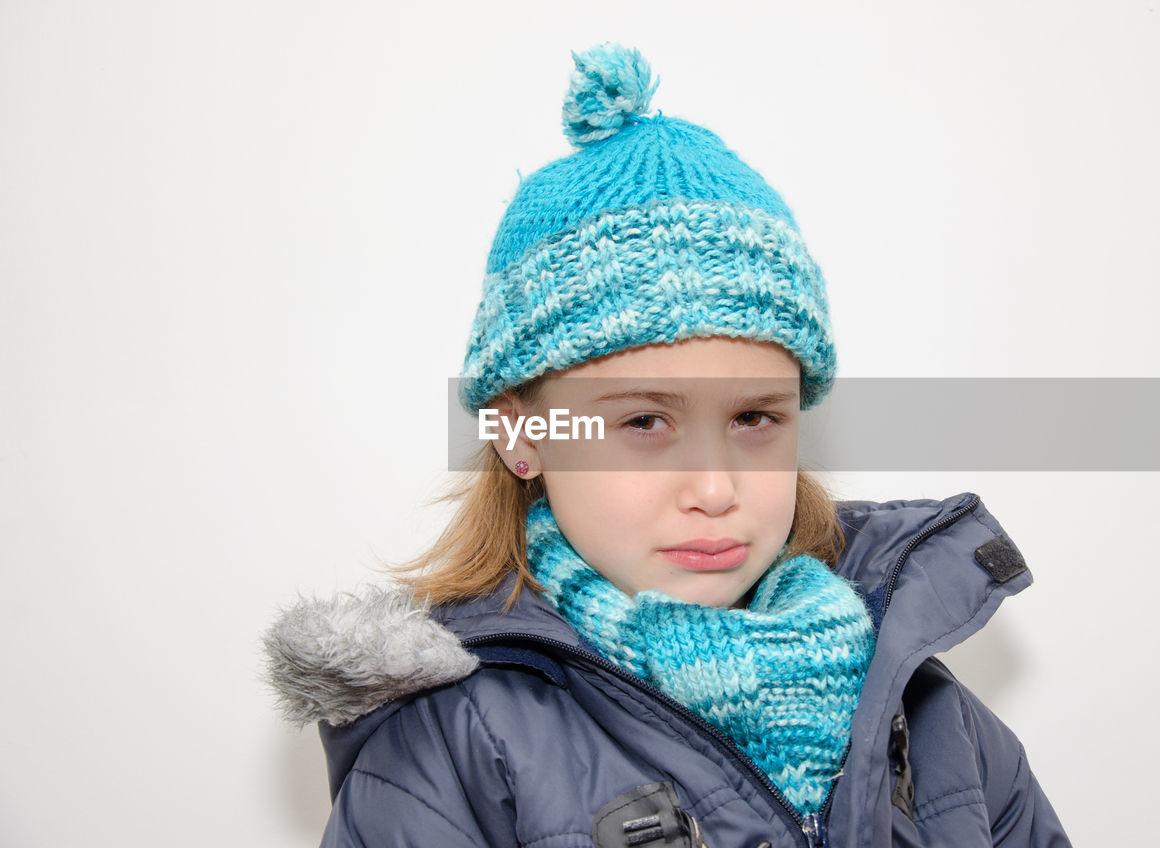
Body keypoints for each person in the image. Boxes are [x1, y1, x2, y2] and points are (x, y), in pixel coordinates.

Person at [265, 43, 1071, 848]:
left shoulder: (930, 715)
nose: (715, 488)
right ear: (522, 435)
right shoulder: (448, 750)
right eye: (645, 423)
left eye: (755, 418)